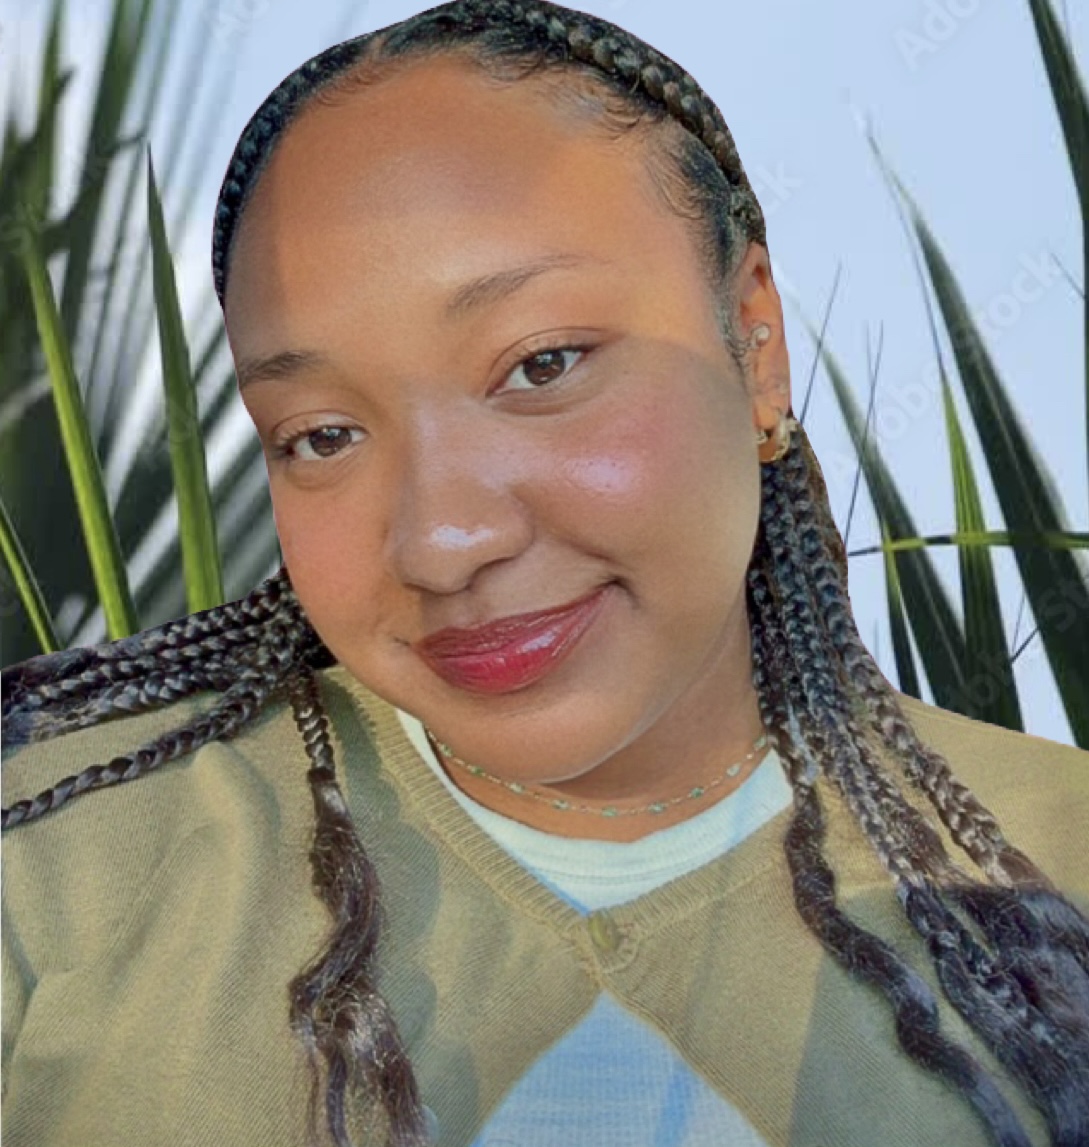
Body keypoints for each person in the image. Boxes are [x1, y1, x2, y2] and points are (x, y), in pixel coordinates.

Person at [3, 2, 1088, 1145]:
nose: (441, 540)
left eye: (542, 364)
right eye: (321, 434)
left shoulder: (1057, 857)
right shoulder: (54, 860)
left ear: (755, 343)